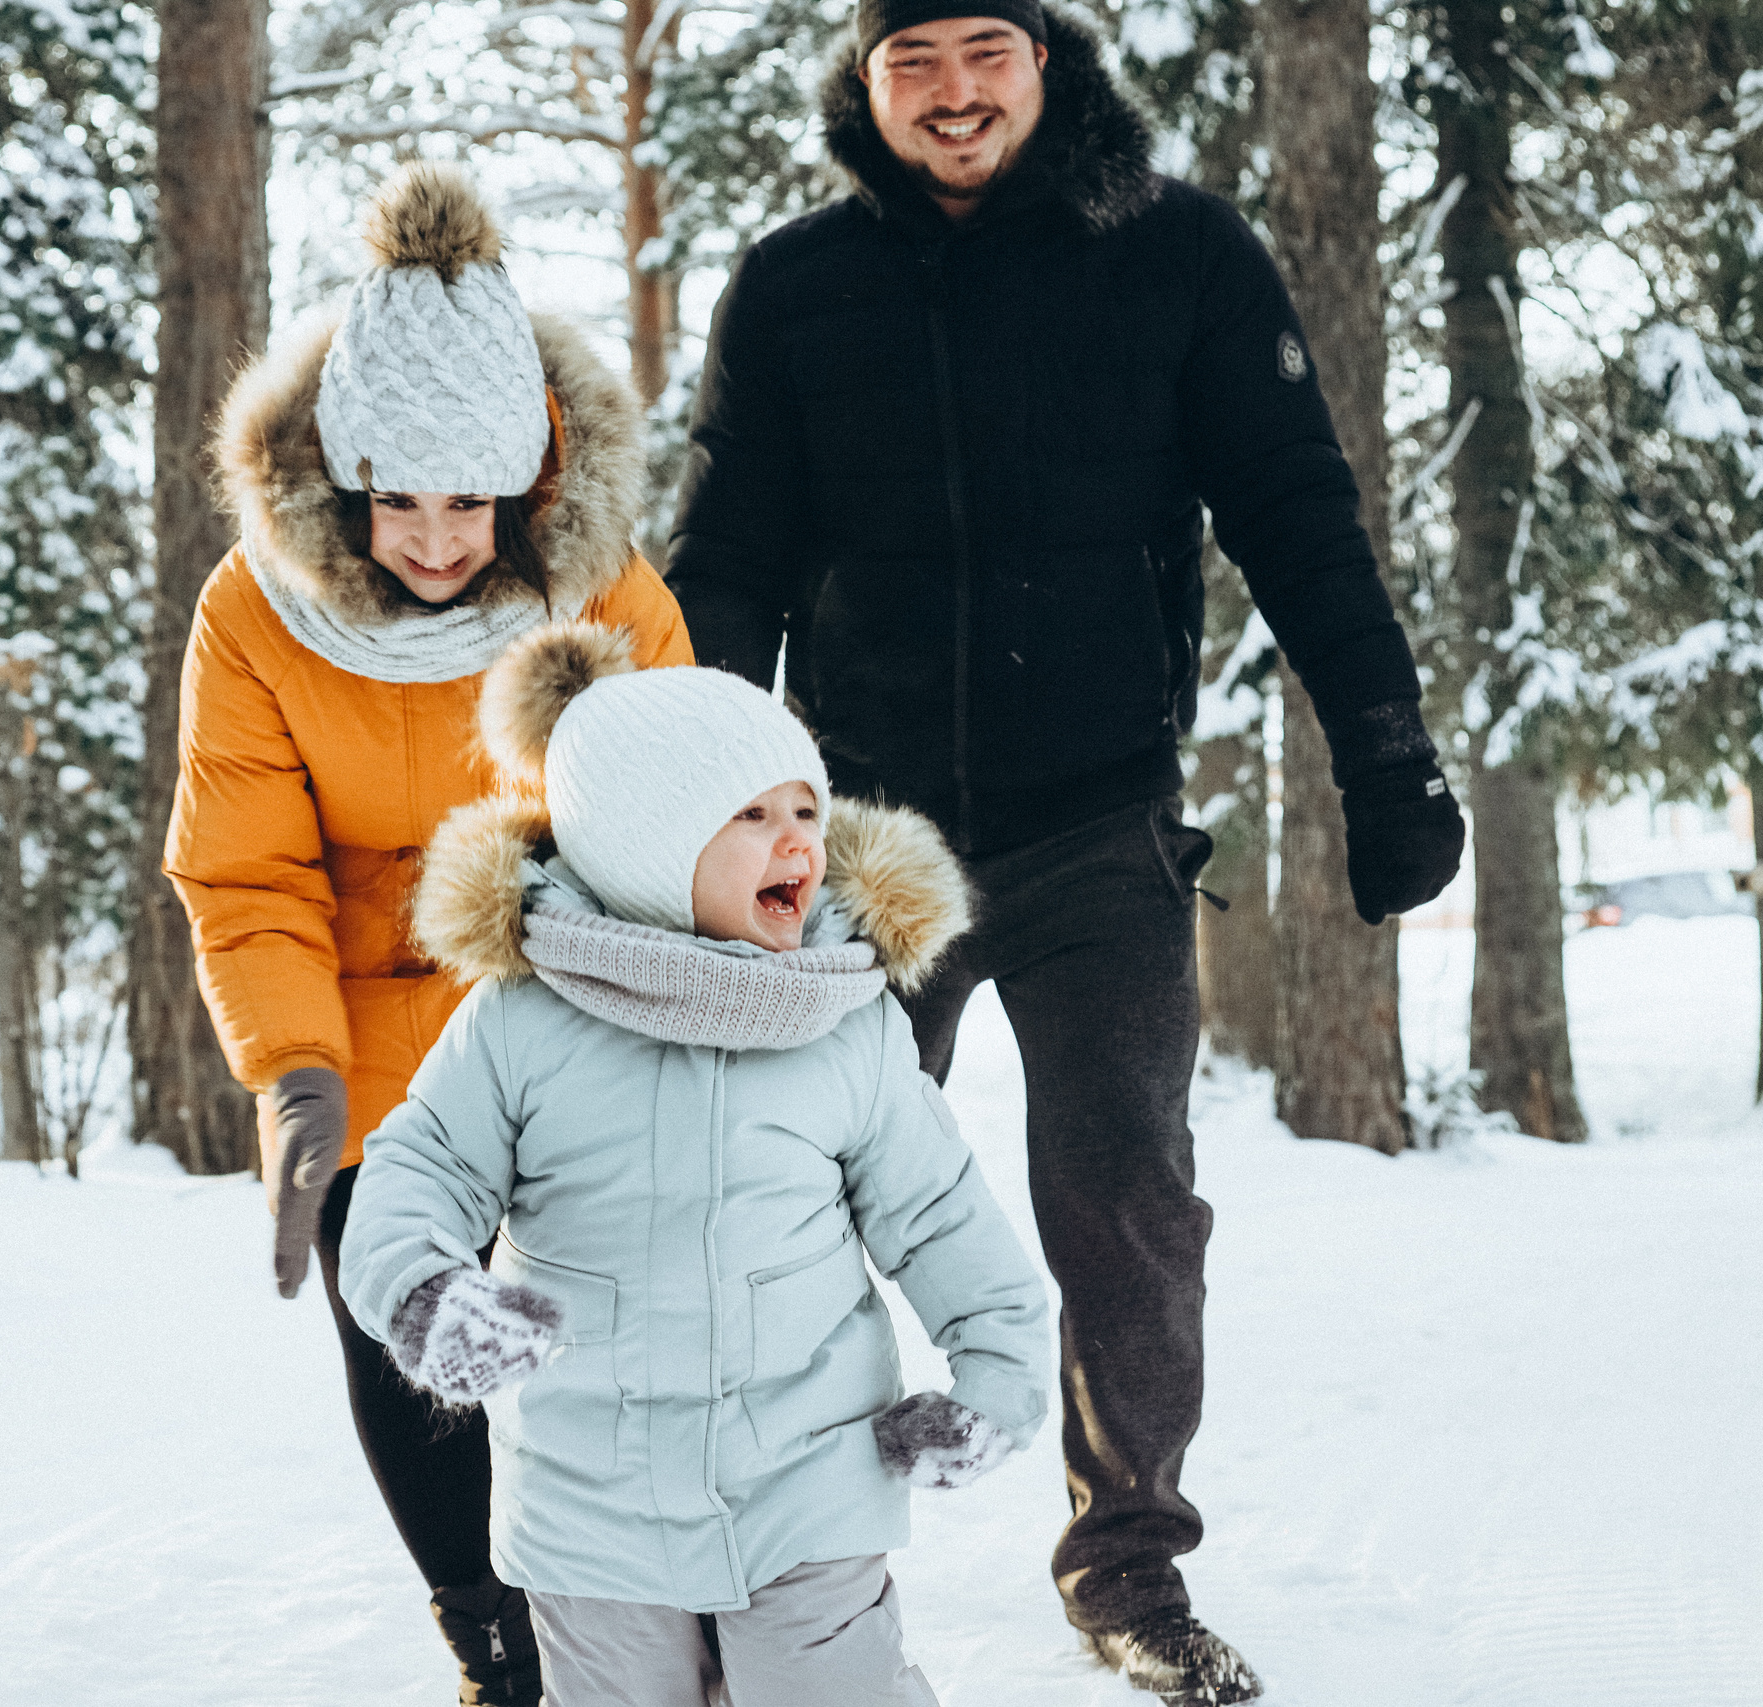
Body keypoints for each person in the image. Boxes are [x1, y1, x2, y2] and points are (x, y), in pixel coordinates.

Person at [662, 3, 1467, 1701]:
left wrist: (1384, 760)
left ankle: (1128, 1570)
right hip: (860, 847)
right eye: (912, 63)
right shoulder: (798, 287)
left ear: (1043, 60)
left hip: (1098, 822)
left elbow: (1302, 518)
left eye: (981, 52)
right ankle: (776, 1573)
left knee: (1125, 1203)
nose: (950, 94)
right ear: (868, 81)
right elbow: (723, 563)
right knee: (778, 1204)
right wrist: (693, 823)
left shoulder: (1176, 254)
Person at [165, 165, 692, 1703]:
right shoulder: (254, 615)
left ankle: (644, 1603)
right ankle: (488, 1627)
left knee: (612, 1322)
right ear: (340, 479)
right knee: (405, 1311)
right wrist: (295, 1077)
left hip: (561, 990)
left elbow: (671, 829)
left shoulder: (609, 596)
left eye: (473, 499)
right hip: (357, 1011)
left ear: (531, 481)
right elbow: (247, 871)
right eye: (401, 496)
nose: (440, 537)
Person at [339, 622, 1053, 1706]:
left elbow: (941, 1215)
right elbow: (416, 1167)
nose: (797, 844)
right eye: (752, 816)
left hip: (806, 1482)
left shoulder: (847, 1023)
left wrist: (997, 1376)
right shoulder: (521, 1020)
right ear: (641, 846)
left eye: (805, 810)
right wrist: (426, 1291)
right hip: (589, 1506)